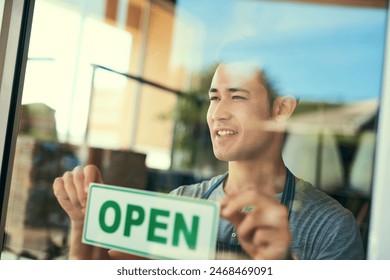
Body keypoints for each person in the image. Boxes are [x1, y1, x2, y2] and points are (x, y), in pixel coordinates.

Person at [53, 58, 364, 260]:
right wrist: (82, 226)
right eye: (214, 98)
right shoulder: (180, 204)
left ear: (281, 109)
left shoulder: (330, 227)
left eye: (237, 97)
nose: (218, 113)